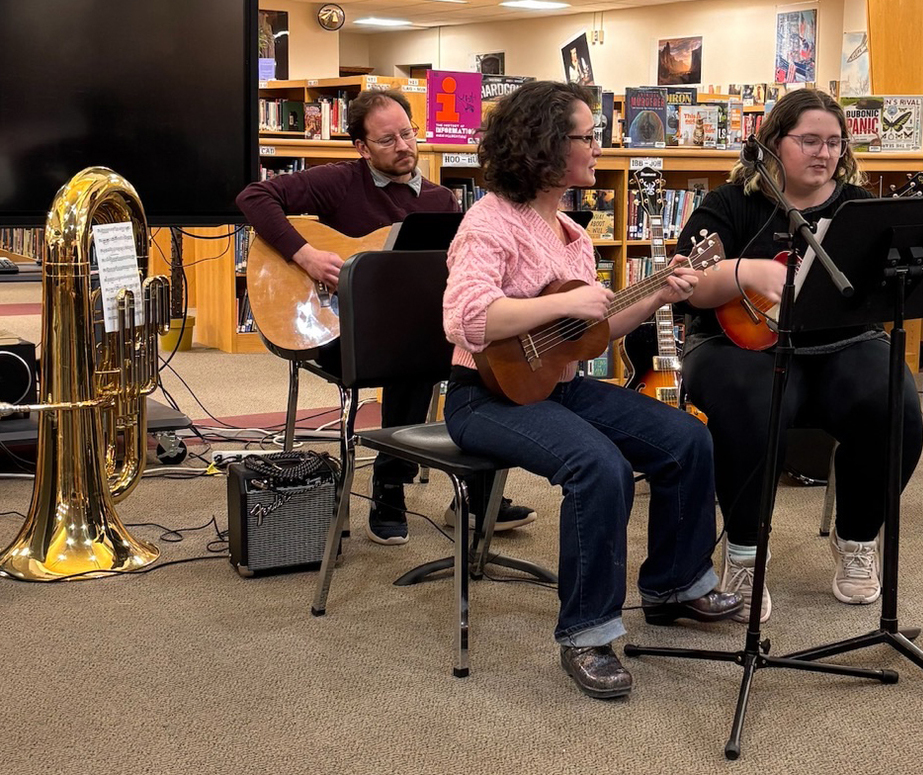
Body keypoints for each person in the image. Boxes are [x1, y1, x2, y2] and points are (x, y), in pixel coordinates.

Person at [441, 80, 742, 700]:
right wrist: (569, 299)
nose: (599, 146)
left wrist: (657, 293)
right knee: (598, 465)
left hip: (558, 383)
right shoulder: (488, 220)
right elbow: (464, 320)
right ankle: (588, 631)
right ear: (548, 145)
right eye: (588, 136)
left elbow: (587, 337)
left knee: (686, 438)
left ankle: (675, 584)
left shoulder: (572, 234)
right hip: (483, 396)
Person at [237, 88, 536, 546]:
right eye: (387, 140)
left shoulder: (441, 202)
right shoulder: (339, 181)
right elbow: (254, 197)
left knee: (481, 351)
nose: (404, 147)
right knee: (413, 357)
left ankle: (475, 491)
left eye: (408, 134)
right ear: (361, 147)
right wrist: (308, 256)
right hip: (343, 330)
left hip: (413, 331)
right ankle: (389, 485)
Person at [675, 88, 923, 623]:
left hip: (843, 342)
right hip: (733, 345)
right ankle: (743, 552)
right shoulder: (729, 204)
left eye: (834, 142)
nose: (824, 153)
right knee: (750, 401)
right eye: (809, 140)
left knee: (897, 406)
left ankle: (857, 537)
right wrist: (745, 271)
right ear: (772, 143)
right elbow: (689, 285)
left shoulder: (860, 207)